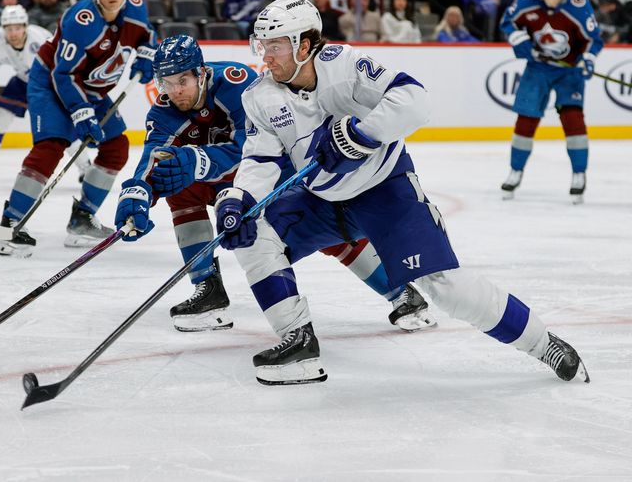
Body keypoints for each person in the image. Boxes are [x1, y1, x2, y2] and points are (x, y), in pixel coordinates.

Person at [212, 0, 589, 386]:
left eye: (274, 46)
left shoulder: (343, 64)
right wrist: (241, 199)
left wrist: (361, 136)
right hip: (321, 201)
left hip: (385, 191)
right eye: (261, 46)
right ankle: (299, 342)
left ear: (304, 45)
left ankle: (544, 344)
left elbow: (414, 99)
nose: (265, 56)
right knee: (253, 235)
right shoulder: (259, 96)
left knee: (446, 287)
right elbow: (261, 160)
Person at [115, 35, 436, 333]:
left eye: (182, 81)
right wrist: (138, 193)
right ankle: (208, 289)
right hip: (219, 178)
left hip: (270, 173)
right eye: (167, 83)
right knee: (178, 187)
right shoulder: (164, 109)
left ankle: (400, 290)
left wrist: (199, 160)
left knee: (326, 232)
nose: (175, 91)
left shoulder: (235, 84)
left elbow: (254, 148)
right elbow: (152, 160)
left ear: (200, 73)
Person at [0, 0, 156, 257]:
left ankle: (82, 218)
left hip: (92, 87)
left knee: (117, 147)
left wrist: (148, 52)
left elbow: (148, 34)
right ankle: (10, 223)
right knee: (51, 147)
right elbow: (63, 75)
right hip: (53, 83)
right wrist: (82, 114)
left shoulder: (135, 6)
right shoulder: (80, 20)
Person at [499, 0, 603, 203]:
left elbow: (593, 40)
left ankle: (579, 174)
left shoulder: (578, 6)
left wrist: (587, 58)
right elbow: (507, 22)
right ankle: (515, 170)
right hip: (537, 69)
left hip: (569, 72)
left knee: (573, 118)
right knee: (526, 118)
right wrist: (519, 39)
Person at [0, 5, 58, 185]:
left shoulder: (40, 42)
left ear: (25, 26)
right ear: (3, 29)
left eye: (17, 28)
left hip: (48, 85)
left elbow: (57, 73)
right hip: (22, 81)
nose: (13, 33)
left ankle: (85, 166)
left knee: (56, 128)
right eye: (9, 29)